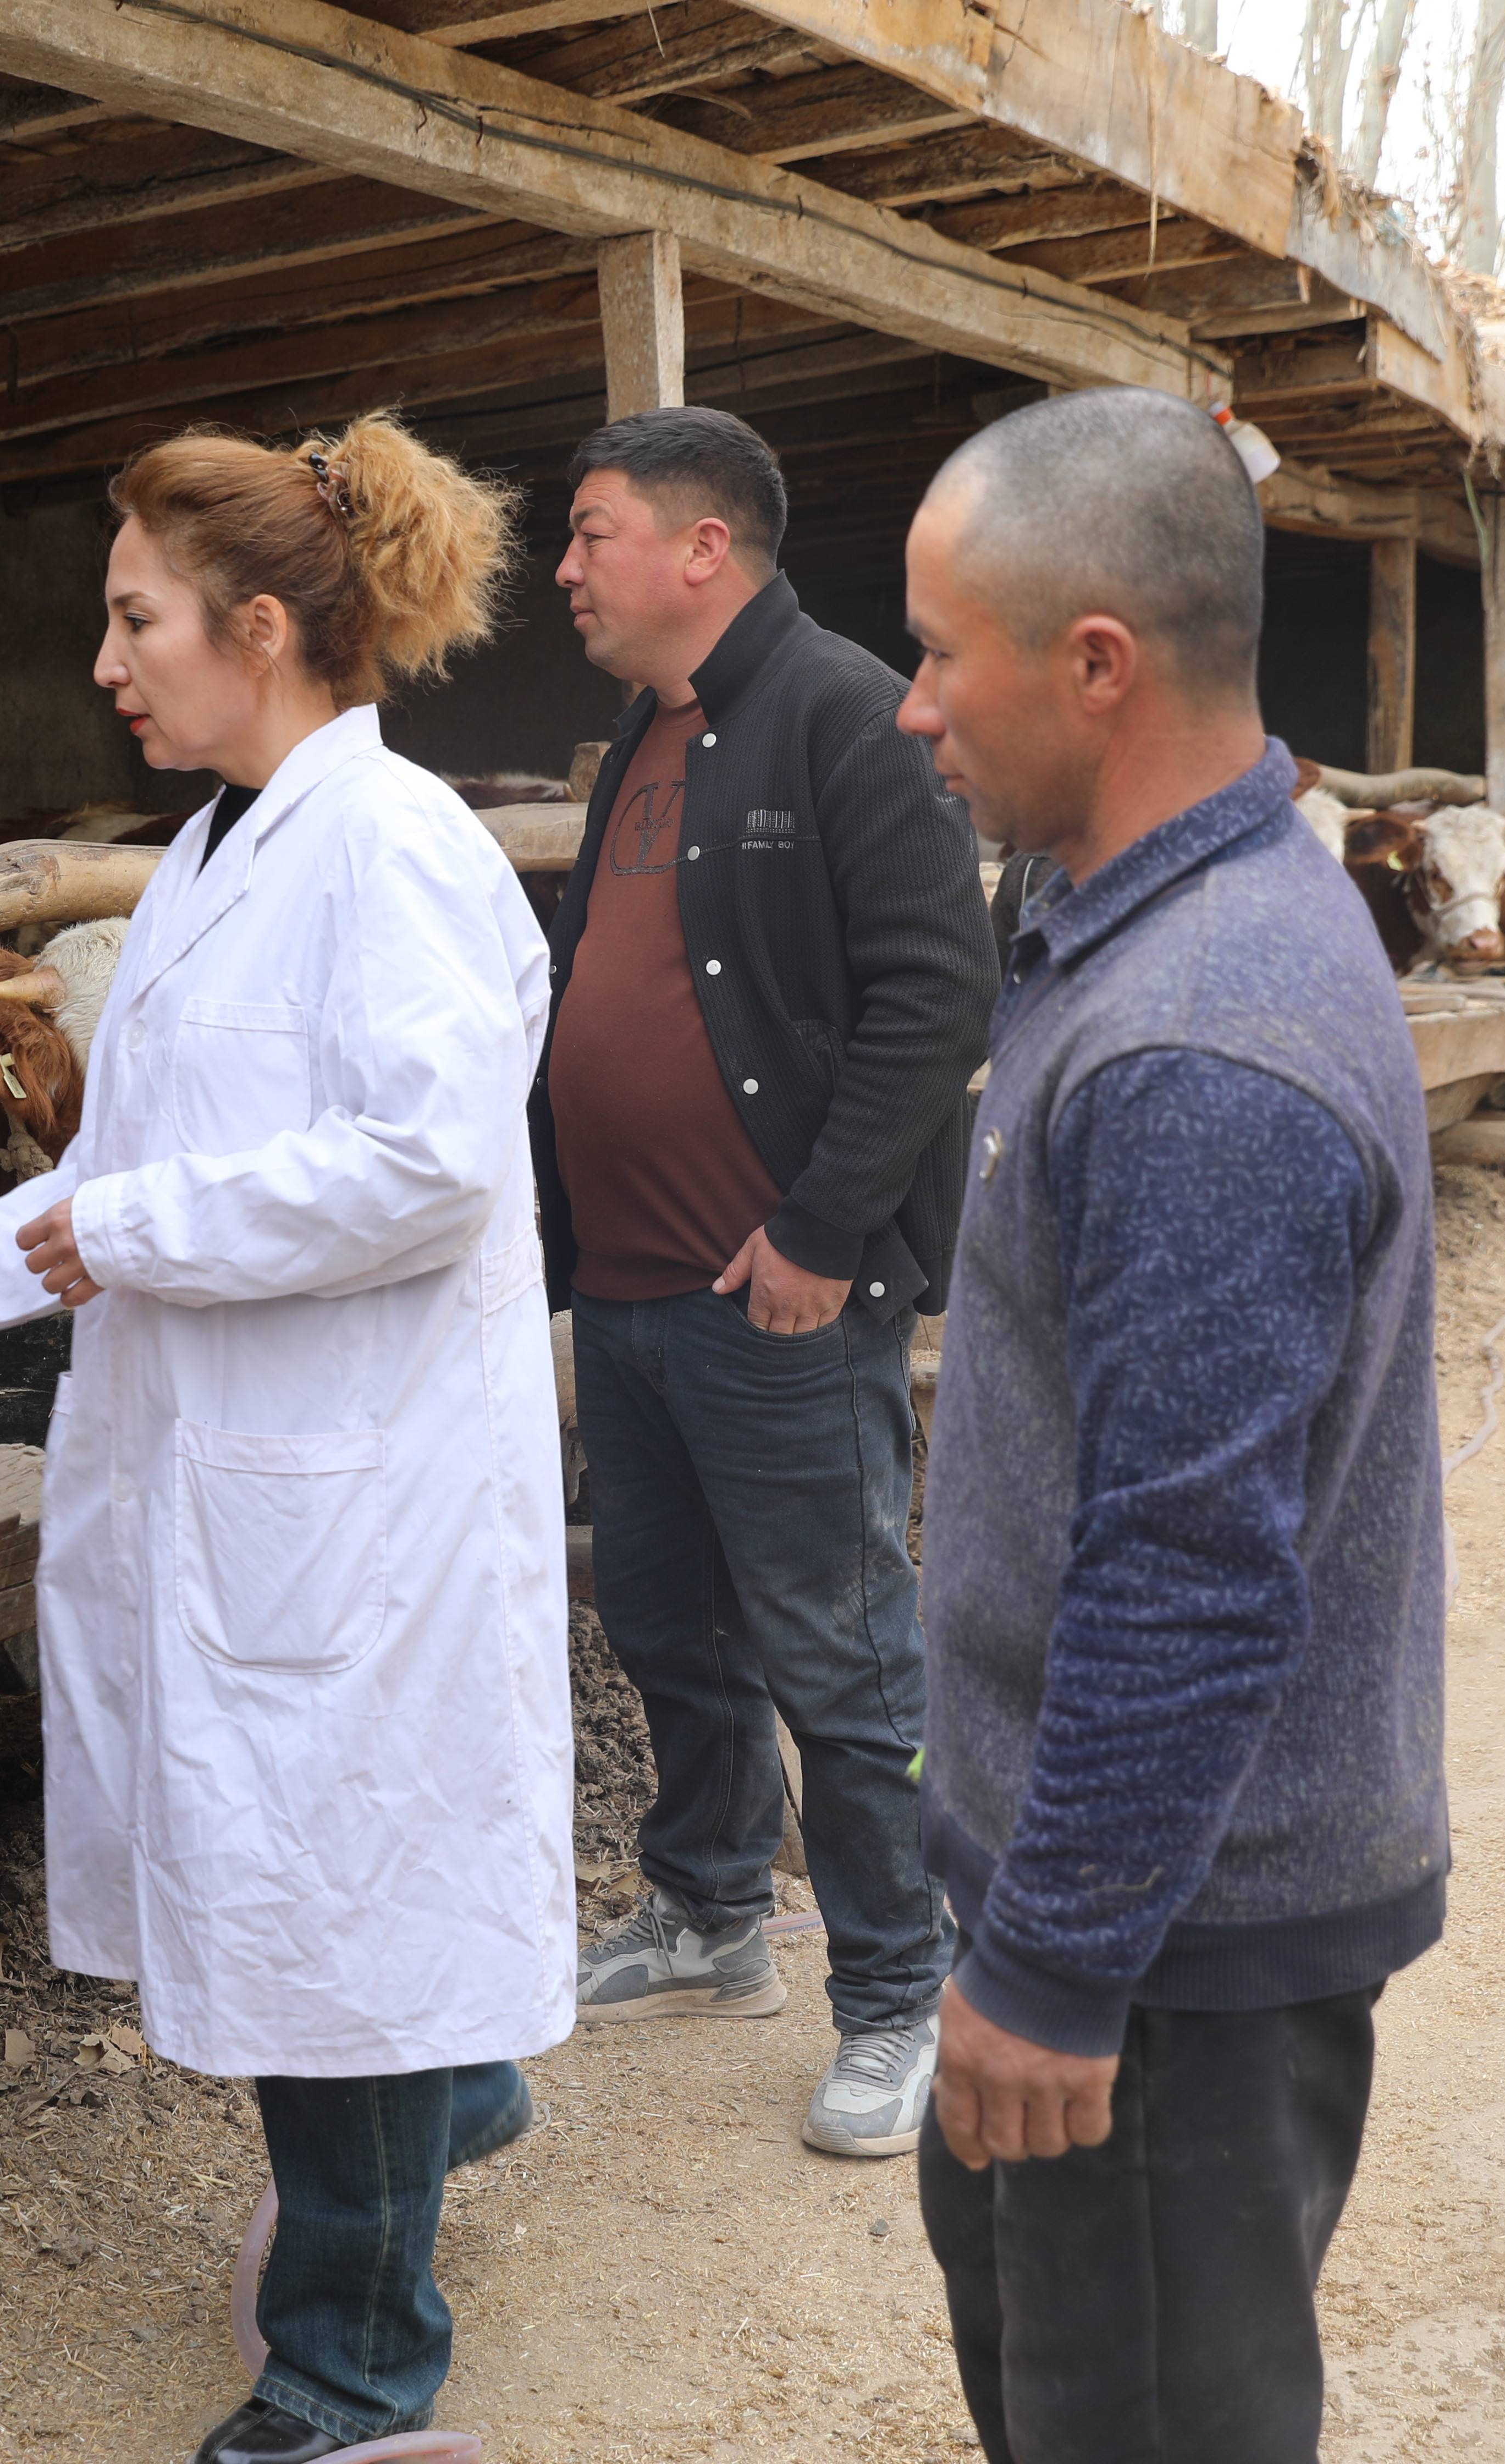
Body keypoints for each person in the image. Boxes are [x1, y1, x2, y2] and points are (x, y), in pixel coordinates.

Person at [0, 414, 571, 2464]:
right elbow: (130, 1170)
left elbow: (422, 1170)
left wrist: (117, 1231)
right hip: (244, 1468)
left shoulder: (393, 853)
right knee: (304, 1904)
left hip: (352, 1493)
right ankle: (442, 2109)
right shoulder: (229, 845)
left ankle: (353, 2375)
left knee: (326, 1919)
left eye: (137, 622)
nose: (111, 665)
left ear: (259, 625)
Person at [893, 387, 1448, 2464]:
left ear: (1097, 663)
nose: (913, 708)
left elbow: (1194, 1570)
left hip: (1165, 1949)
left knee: (1128, 2421)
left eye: (942, 653)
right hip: (1143, 1899)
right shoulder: (1153, 933)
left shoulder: (1203, 1034)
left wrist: (1049, 1966)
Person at [530, 404, 993, 2158]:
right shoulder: (643, 739)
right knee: (665, 1625)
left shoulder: (850, 715)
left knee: (843, 1652)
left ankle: (900, 1992)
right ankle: (715, 1912)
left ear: (701, 548)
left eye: (590, 533)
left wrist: (817, 1236)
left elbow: (937, 994)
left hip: (776, 1298)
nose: (566, 568)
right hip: (635, 1292)